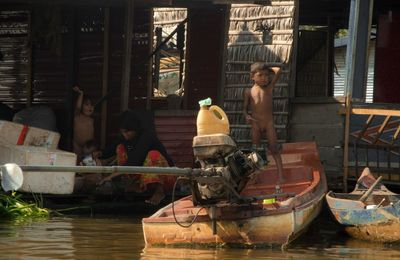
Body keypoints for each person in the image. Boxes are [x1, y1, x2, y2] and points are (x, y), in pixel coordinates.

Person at [98, 110, 175, 205]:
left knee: (153, 155)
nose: (125, 135)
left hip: (166, 179)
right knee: (120, 148)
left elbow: (134, 161)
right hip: (141, 179)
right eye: (122, 132)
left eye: (127, 132)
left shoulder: (147, 137)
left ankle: (159, 191)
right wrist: (99, 153)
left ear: (135, 128)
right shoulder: (126, 138)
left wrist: (110, 177)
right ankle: (133, 184)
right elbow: (112, 148)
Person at [242, 62, 284, 184]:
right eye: (260, 75)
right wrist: (246, 116)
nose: (265, 78)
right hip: (255, 124)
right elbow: (244, 109)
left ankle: (281, 176)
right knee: (256, 152)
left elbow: (278, 70)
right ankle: (256, 177)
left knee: (274, 149)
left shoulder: (270, 87)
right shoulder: (248, 92)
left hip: (268, 123)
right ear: (252, 77)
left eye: (266, 75)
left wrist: (264, 67)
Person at [73, 86, 95, 163]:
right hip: (77, 146)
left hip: (88, 147)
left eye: (92, 105)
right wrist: (81, 94)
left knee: (87, 165)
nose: (90, 107)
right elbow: (78, 107)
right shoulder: (77, 116)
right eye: (87, 104)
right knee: (76, 163)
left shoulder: (92, 120)